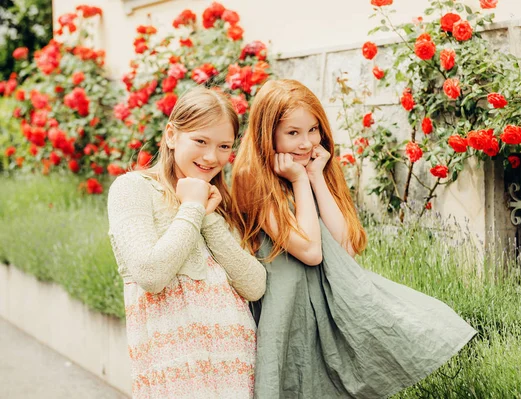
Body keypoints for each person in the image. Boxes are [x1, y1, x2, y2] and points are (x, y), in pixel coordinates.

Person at [231, 79, 476, 398]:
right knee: (291, 376)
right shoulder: (253, 176)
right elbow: (310, 250)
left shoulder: (312, 167)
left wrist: (316, 176)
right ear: (268, 132)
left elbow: (344, 244)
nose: (306, 143)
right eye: (293, 133)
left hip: (324, 292)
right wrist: (299, 181)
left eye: (313, 130)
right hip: (285, 298)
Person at [107, 86, 266, 399]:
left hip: (236, 367)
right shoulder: (132, 190)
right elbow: (150, 274)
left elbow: (254, 285)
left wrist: (207, 217)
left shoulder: (217, 202)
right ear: (171, 135)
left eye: (223, 146)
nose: (211, 157)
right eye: (200, 141)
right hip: (177, 371)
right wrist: (192, 209)